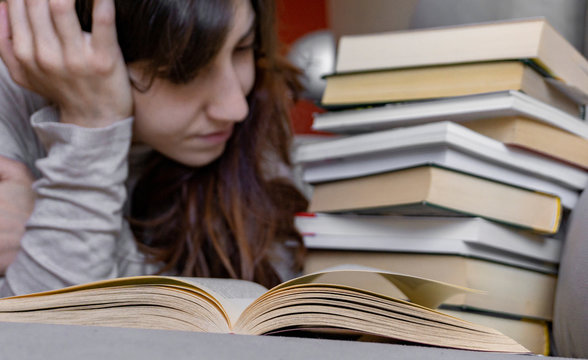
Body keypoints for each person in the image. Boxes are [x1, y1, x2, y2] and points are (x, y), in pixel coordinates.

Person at [0, 0, 308, 298]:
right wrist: (92, 125)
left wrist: (48, 231)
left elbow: (268, 292)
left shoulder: (257, 103)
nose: (235, 108)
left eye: (242, 48)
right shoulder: (8, 111)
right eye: (184, 72)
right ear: (77, 53)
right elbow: (43, 343)